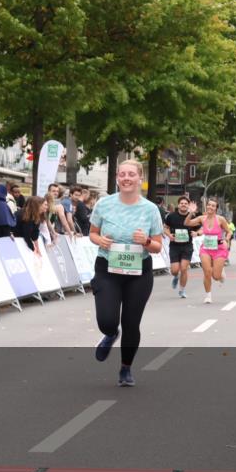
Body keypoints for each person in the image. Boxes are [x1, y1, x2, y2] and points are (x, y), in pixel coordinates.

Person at [88, 160, 164, 387]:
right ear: (117, 178)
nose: (126, 178)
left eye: (131, 174)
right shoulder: (104, 204)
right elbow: (92, 233)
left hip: (139, 271)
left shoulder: (150, 209)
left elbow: (158, 246)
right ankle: (111, 334)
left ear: (140, 178)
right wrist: (100, 240)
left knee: (131, 323)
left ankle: (126, 368)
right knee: (107, 320)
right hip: (107, 268)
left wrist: (146, 241)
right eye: (122, 174)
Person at [184, 198, 231, 303]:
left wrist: (226, 239)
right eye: (209, 205)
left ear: (216, 208)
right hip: (206, 248)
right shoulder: (202, 218)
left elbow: (229, 232)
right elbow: (187, 223)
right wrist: (190, 213)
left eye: (213, 206)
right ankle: (208, 296)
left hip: (219, 249)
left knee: (216, 276)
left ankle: (220, 272)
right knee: (207, 272)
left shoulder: (220, 219)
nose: (210, 207)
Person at [163, 196, 199, 298]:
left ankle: (182, 290)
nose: (183, 205)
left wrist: (196, 233)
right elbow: (165, 228)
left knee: (184, 268)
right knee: (174, 270)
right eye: (181, 203)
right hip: (174, 246)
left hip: (187, 246)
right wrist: (169, 235)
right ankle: (176, 276)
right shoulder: (171, 216)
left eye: (185, 203)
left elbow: (200, 228)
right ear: (178, 205)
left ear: (188, 206)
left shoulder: (192, 217)